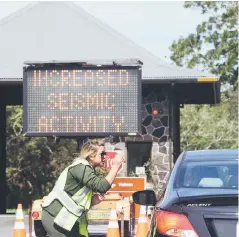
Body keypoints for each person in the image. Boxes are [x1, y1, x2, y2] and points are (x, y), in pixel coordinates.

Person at [41, 138, 124, 237]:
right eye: (102, 154)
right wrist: (115, 167)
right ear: (91, 156)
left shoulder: (87, 169)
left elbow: (76, 199)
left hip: (66, 219)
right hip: (54, 216)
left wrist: (92, 201)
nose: (105, 157)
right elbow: (101, 186)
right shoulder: (81, 167)